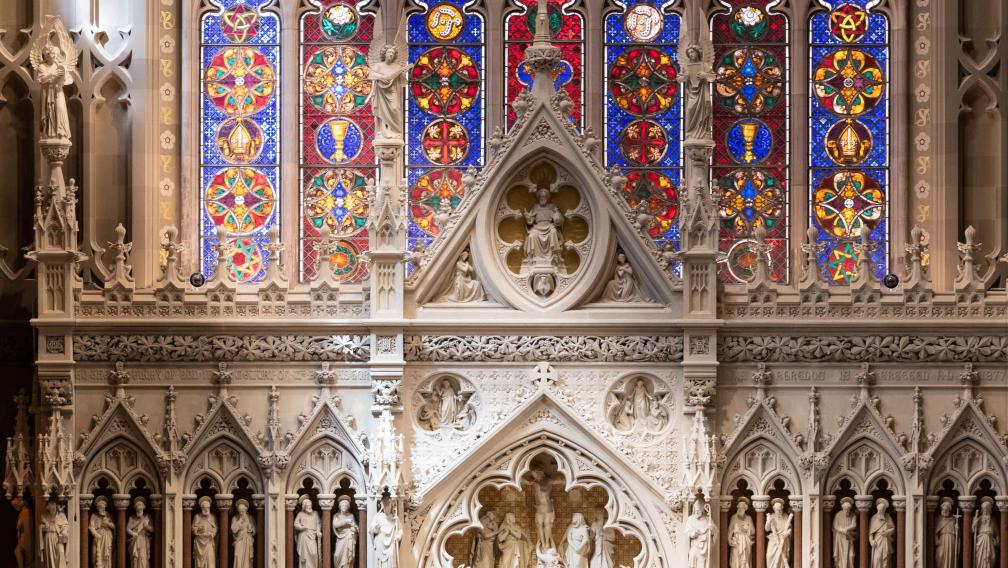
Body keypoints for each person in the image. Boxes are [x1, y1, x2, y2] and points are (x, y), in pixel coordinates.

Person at [523, 187, 564, 269]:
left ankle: (555, 256)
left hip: (549, 226)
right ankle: (532, 257)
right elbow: (531, 221)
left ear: (547, 197)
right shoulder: (536, 207)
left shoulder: (552, 206)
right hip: (538, 227)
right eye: (541, 196)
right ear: (539, 197)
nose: (542, 198)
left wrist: (557, 213)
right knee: (531, 235)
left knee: (553, 232)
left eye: (544, 196)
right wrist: (528, 217)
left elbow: (558, 221)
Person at [370, 497, 401, 568]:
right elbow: (371, 529)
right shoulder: (378, 516)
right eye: (385, 506)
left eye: (388, 506)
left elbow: (400, 530)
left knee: (391, 559)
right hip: (380, 543)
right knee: (381, 563)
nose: (387, 508)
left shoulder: (395, 518)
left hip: (391, 543)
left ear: (391, 507)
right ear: (383, 506)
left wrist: (399, 535)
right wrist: (375, 528)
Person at [687, 498, 715, 568]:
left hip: (704, 548)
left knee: (702, 564)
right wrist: (693, 534)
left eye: (699, 510)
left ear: (702, 509)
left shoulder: (708, 519)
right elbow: (687, 532)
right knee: (692, 563)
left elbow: (715, 532)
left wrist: (712, 529)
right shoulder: (690, 519)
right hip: (695, 546)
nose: (697, 512)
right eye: (696, 510)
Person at [294, 497, 322, 568]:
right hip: (304, 536)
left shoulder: (315, 513)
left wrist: (318, 530)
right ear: (304, 507)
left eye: (310, 505)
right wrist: (301, 527)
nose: (309, 507)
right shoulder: (300, 514)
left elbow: (318, 523)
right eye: (307, 506)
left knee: (314, 553)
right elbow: (295, 524)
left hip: (312, 535)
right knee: (304, 556)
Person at [41, 500, 69, 568]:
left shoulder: (61, 515)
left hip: (57, 537)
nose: (52, 509)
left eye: (54, 507)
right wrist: (45, 526)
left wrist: (64, 531)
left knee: (61, 552)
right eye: (51, 507)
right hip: (48, 537)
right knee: (50, 556)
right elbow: (41, 527)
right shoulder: (45, 516)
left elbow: (66, 525)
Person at [765, 498, 792, 568]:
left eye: (780, 509)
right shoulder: (771, 516)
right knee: (769, 556)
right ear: (774, 509)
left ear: (782, 508)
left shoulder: (786, 516)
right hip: (774, 539)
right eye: (777, 510)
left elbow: (790, 528)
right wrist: (768, 521)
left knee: (782, 558)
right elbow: (767, 529)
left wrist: (787, 533)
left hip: (783, 539)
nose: (779, 511)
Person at [127, 497, 154, 568]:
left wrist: (146, 526)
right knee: (135, 558)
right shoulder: (132, 518)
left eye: (141, 508)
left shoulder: (147, 517)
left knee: (143, 557)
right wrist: (133, 533)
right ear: (135, 508)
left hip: (143, 540)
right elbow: (127, 529)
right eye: (138, 508)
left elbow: (152, 530)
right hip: (135, 540)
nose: (139, 510)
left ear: (143, 508)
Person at [728, 499, 755, 568]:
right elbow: (730, 530)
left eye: (742, 507)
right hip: (737, 541)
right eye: (739, 507)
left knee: (745, 559)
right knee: (736, 558)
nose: (740, 509)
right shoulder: (733, 517)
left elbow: (753, 531)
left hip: (746, 541)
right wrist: (729, 539)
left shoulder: (749, 518)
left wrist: (746, 529)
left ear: (745, 508)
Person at [192, 496, 218, 568]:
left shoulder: (212, 517)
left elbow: (215, 528)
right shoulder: (197, 516)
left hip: (209, 541)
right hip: (200, 542)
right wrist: (199, 528)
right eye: (204, 508)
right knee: (199, 562)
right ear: (201, 508)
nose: (206, 509)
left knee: (210, 559)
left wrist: (212, 533)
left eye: (207, 508)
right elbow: (193, 529)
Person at [90, 496, 115, 568]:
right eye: (99, 507)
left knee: (106, 555)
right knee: (95, 554)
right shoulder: (94, 516)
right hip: (98, 537)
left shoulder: (109, 515)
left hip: (107, 537)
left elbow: (114, 526)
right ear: (97, 507)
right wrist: (95, 534)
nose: (101, 508)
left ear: (105, 507)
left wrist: (108, 523)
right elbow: (91, 527)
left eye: (103, 507)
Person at [333, 496, 358, 568]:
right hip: (340, 538)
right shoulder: (336, 515)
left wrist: (355, 528)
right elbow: (335, 525)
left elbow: (355, 526)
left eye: (346, 506)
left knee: (349, 556)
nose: (344, 507)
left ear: (348, 507)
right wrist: (345, 521)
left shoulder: (351, 515)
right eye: (343, 505)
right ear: (340, 506)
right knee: (337, 555)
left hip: (349, 537)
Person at [973, 499, 999, 568]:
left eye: (987, 508)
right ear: (982, 509)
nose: (985, 510)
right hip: (981, 539)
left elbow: (996, 532)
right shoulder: (979, 518)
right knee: (980, 557)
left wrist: (997, 540)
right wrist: (974, 523)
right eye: (984, 509)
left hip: (990, 540)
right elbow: (973, 530)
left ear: (990, 509)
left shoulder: (993, 520)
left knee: (992, 556)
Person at [869, 499, 894, 568]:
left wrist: (887, 532)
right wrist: (871, 541)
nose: (879, 512)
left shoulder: (888, 516)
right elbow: (870, 533)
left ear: (884, 510)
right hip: (877, 541)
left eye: (881, 510)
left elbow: (893, 528)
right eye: (879, 510)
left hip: (886, 540)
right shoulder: (874, 518)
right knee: (877, 558)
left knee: (886, 560)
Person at [833, 498, 857, 568]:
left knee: (851, 555)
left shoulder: (853, 515)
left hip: (849, 538)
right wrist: (842, 530)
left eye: (848, 509)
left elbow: (854, 525)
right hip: (840, 538)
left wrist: (847, 529)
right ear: (843, 508)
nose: (847, 511)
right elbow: (835, 525)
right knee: (840, 555)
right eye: (845, 509)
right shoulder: (838, 514)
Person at [232, 499, 256, 568]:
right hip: (238, 540)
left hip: (247, 540)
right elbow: (233, 530)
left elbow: (254, 531)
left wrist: (251, 529)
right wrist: (240, 521)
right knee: (237, 555)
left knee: (247, 559)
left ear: (246, 510)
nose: (241, 512)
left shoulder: (250, 518)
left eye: (243, 511)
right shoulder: (235, 518)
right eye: (240, 511)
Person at [934, 498, 958, 568]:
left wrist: (957, 529)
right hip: (942, 540)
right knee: (940, 556)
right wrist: (936, 539)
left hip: (951, 539)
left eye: (947, 509)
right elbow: (934, 531)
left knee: (950, 556)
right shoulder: (938, 518)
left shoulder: (953, 519)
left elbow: (957, 534)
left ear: (949, 509)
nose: (945, 510)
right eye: (943, 509)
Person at [12, 497, 32, 568]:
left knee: (17, 551)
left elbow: (22, 525)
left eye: (15, 506)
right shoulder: (24, 512)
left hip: (26, 537)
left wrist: (18, 526)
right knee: (18, 551)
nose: (15, 508)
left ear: (18, 504)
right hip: (24, 536)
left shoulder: (24, 512)